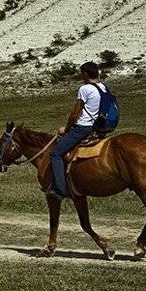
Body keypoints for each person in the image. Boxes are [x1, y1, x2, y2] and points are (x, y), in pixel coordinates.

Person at [48, 62, 107, 198]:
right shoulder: (103, 87)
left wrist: (67, 128)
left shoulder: (85, 88)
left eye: (82, 74)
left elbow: (75, 113)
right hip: (99, 127)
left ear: (85, 74)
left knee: (55, 153)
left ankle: (59, 190)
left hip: (84, 127)